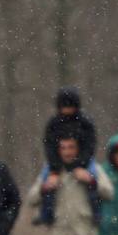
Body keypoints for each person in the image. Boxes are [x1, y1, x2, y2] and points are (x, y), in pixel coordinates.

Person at [39, 88, 98, 225]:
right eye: (64, 106)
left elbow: (90, 146)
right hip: (57, 160)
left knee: (93, 178)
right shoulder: (53, 124)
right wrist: (55, 168)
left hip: (83, 160)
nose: (67, 110)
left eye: (69, 106)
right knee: (46, 181)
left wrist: (80, 165)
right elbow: (49, 146)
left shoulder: (85, 123)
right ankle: (46, 212)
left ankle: (96, 211)